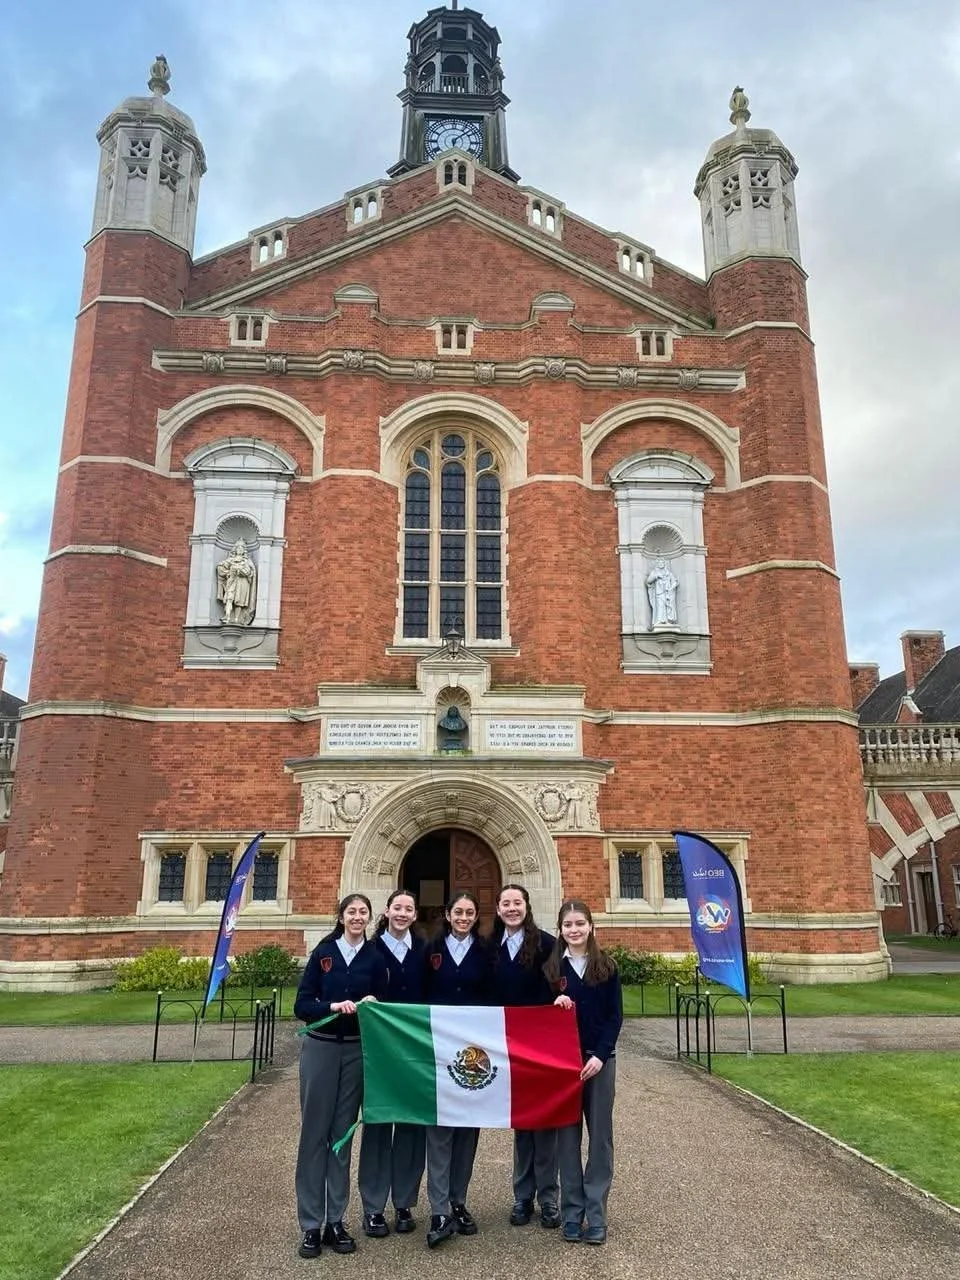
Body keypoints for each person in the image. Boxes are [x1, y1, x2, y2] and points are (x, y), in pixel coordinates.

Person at [294, 892, 388, 1260]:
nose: (357, 917)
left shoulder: (375, 956)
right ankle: (311, 1225)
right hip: (320, 1048)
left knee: (341, 1135)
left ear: (369, 917)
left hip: (355, 1051)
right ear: (342, 915)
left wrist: (372, 1004)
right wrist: (332, 1006)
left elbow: (384, 1002)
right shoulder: (324, 952)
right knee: (314, 1135)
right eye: (352, 911)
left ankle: (336, 1220)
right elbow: (302, 1004)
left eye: (363, 912)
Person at [545, 899, 623, 1246]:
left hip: (598, 1063)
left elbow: (614, 1018)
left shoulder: (606, 966)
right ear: (560, 930)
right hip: (564, 1066)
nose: (573, 930)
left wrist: (601, 1056)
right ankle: (572, 1212)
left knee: (600, 1139)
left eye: (579, 923)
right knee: (567, 1139)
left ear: (591, 927)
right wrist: (554, 1005)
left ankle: (597, 1213)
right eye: (567, 925)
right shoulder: (551, 969)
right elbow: (540, 1019)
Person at [421, 890, 492, 1249]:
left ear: (475, 917)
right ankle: (438, 1209)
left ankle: (458, 1201)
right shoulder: (429, 950)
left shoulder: (486, 951)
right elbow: (417, 997)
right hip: (439, 1049)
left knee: (467, 1128)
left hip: (475, 1053)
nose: (463, 917)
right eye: (458, 912)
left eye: (469, 912)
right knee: (440, 1129)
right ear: (447, 914)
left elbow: (497, 998)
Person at [357, 889, 427, 1238]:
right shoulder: (369, 951)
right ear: (386, 912)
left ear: (415, 915)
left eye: (408, 909)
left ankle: (404, 1203)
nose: (402, 913)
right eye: (397, 907)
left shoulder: (425, 952)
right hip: (381, 1051)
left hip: (415, 1052)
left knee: (413, 1128)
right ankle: (373, 1207)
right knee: (380, 1123)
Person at [490, 884, 560, 1230]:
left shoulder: (547, 943)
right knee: (521, 1123)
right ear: (499, 908)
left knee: (544, 1123)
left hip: (541, 1045)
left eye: (517, 902)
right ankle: (522, 1196)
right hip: (507, 1044)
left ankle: (548, 1197)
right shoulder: (490, 946)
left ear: (526, 906)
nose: (512, 908)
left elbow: (560, 986)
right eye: (506, 903)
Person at [216, 538, 257, 625]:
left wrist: (241, 571)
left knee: (239, 602)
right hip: (232, 581)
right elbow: (220, 568)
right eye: (238, 548)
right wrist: (228, 572)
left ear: (244, 551)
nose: (240, 550)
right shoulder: (230, 560)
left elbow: (250, 572)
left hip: (243, 583)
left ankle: (237, 619)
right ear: (235, 549)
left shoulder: (247, 561)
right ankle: (227, 616)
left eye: (242, 548)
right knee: (229, 598)